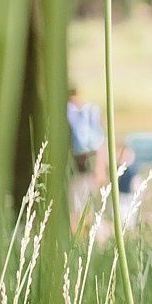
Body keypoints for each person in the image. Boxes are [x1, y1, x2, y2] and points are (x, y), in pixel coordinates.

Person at [67, 85, 106, 215]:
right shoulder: (87, 111)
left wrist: (99, 167)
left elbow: (99, 141)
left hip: (84, 160)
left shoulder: (88, 112)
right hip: (80, 161)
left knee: (83, 201)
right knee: (79, 201)